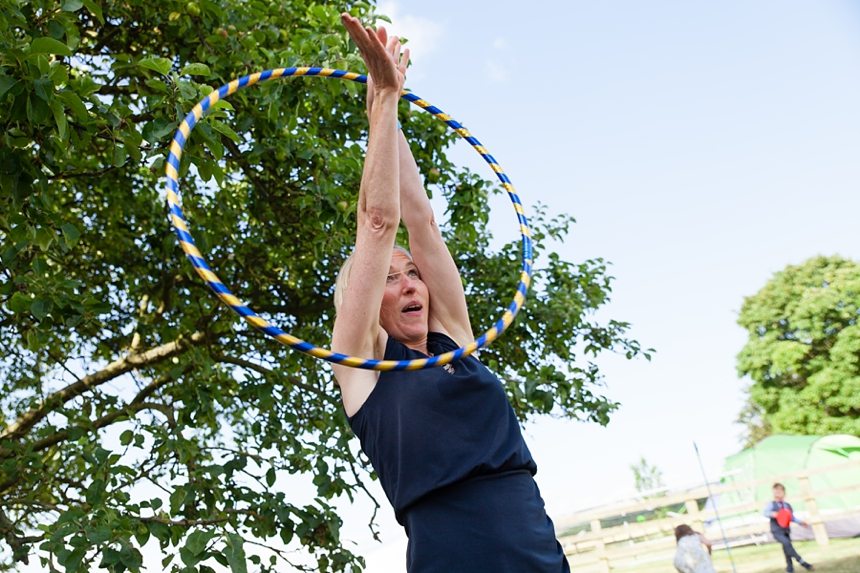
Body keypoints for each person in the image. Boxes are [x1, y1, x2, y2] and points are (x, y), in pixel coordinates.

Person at [331, 13, 570, 573]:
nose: (410, 282)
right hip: (451, 552)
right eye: (388, 279)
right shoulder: (361, 362)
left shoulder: (456, 339)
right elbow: (378, 222)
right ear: (364, 303)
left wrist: (385, 111)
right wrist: (384, 101)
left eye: (411, 273)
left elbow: (420, 221)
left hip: (531, 536)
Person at [763, 483, 814, 572]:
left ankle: (790, 569)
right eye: (775, 492)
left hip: (786, 530)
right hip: (776, 531)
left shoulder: (787, 505)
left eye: (779, 491)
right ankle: (802, 562)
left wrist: (801, 522)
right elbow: (765, 513)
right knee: (787, 544)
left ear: (784, 493)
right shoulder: (771, 504)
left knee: (787, 549)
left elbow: (791, 518)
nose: (777, 493)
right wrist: (774, 514)